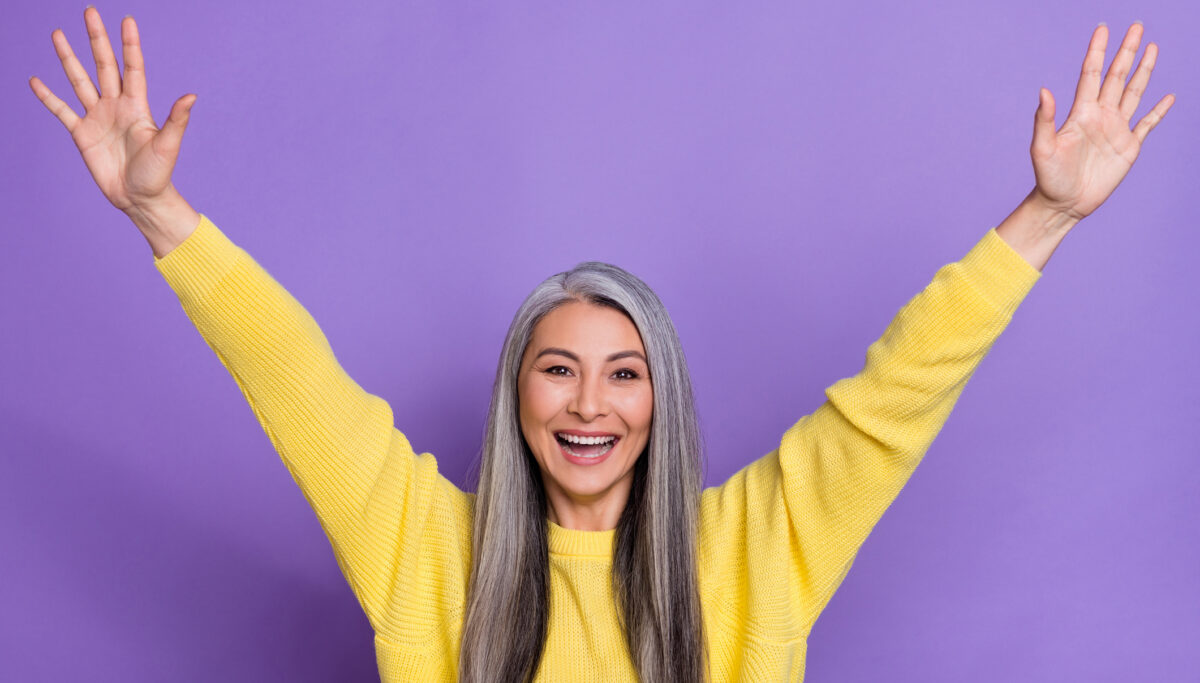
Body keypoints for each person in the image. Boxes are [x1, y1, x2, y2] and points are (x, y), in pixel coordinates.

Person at [30, 8, 1174, 682]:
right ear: (516, 395)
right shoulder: (428, 547)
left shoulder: (753, 548)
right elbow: (299, 381)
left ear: (661, 401)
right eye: (559, 367)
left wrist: (1048, 215)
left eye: (626, 373)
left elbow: (895, 396)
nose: (591, 403)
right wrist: (159, 213)